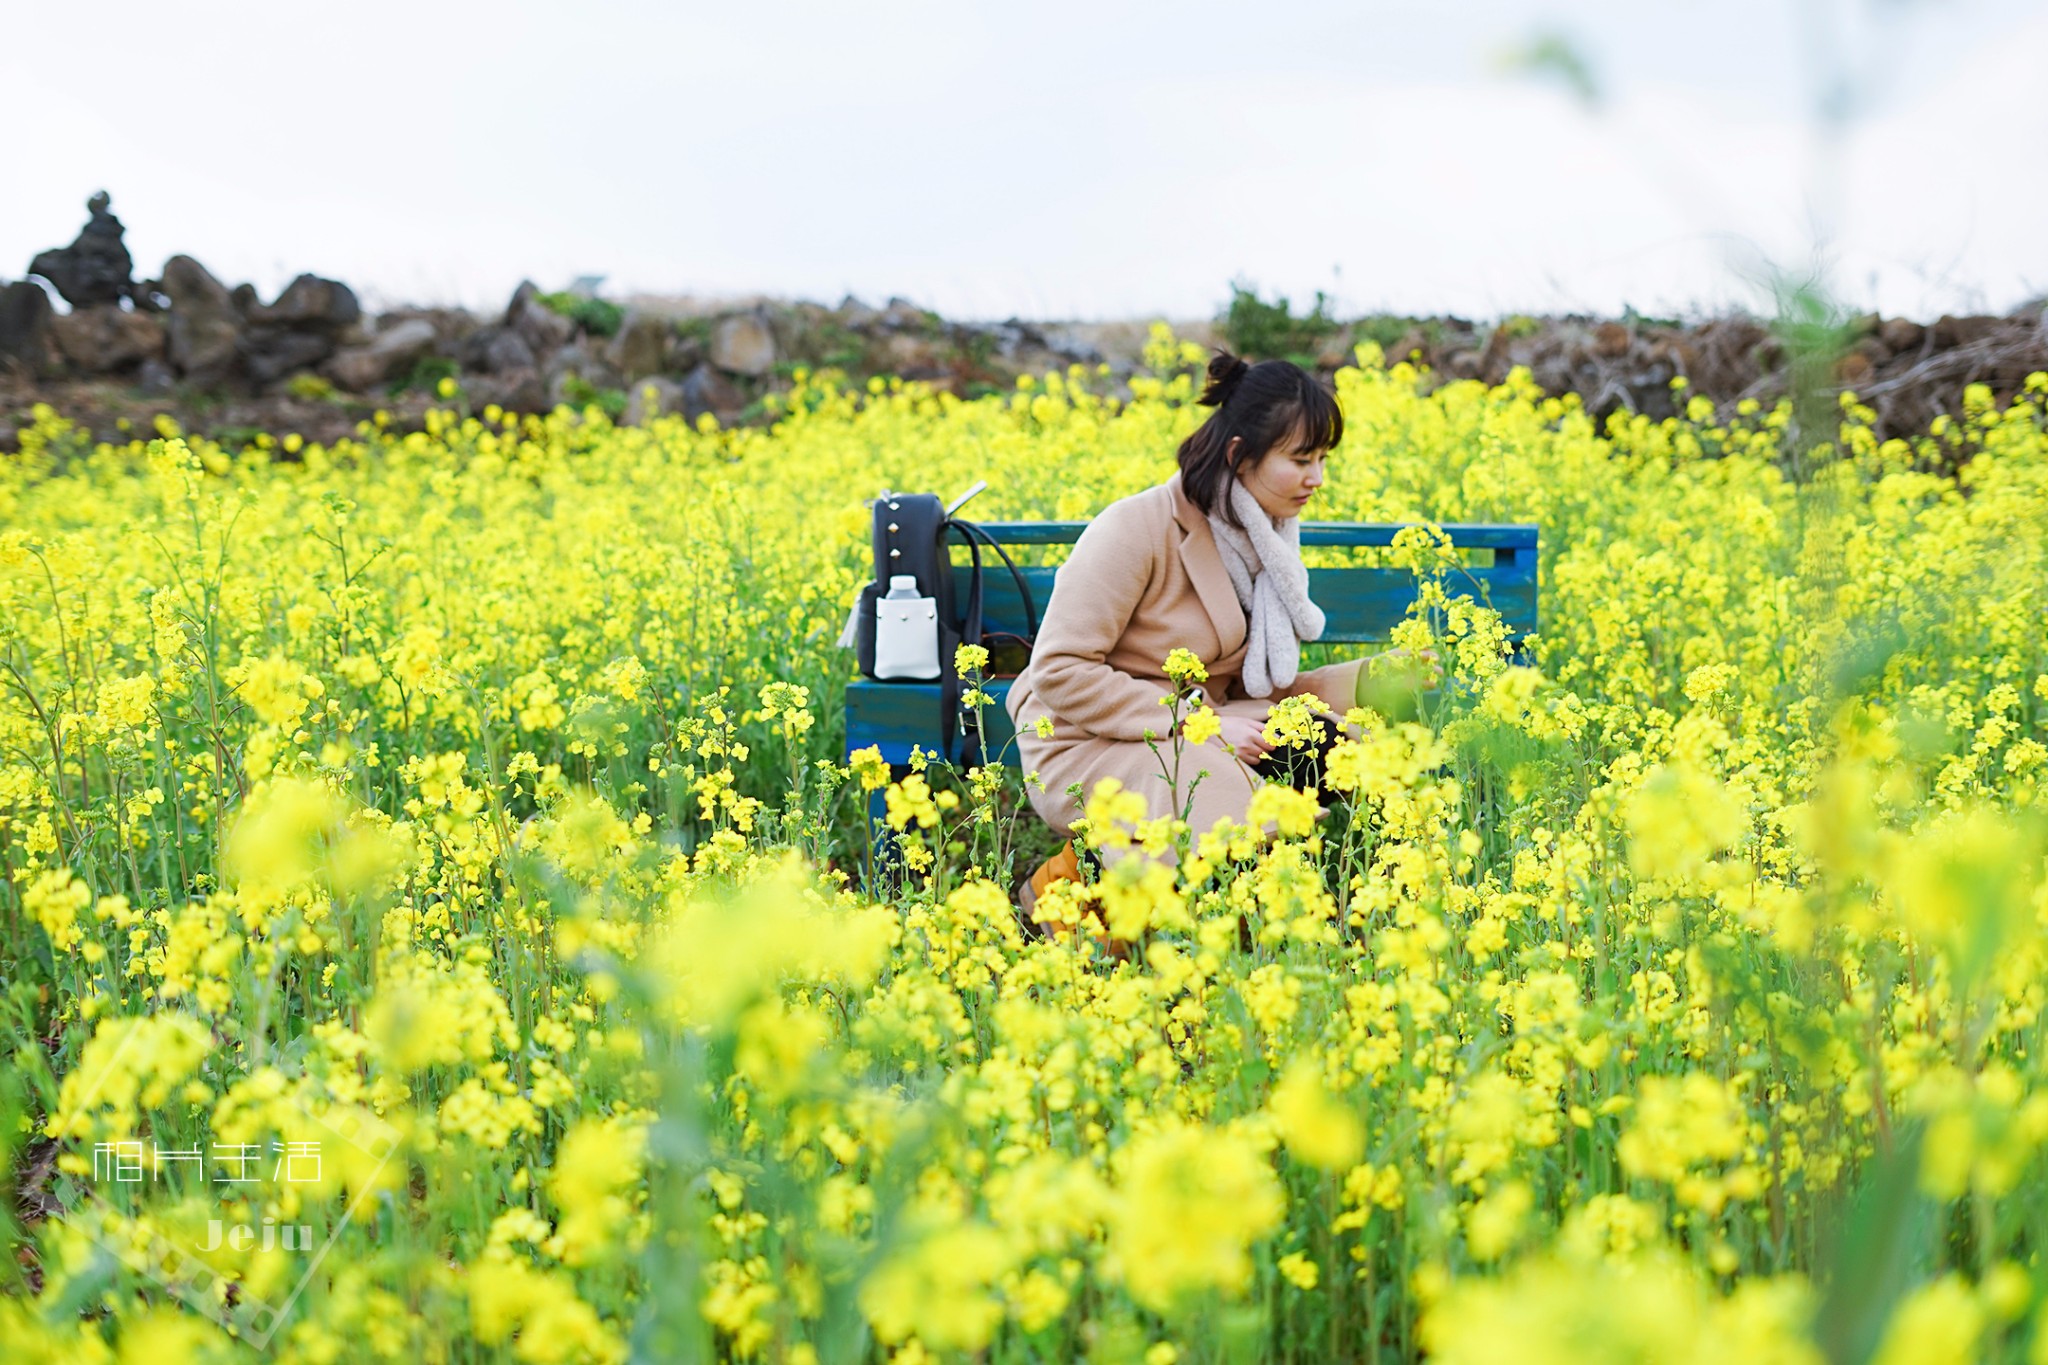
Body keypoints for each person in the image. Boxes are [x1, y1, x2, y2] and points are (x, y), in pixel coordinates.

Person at [1007, 349, 1420, 918]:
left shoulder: (1265, 538)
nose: (1317, 478)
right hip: (1091, 738)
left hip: (1207, 725)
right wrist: (1201, 726)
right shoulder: (1136, 527)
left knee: (1340, 752)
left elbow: (1248, 685)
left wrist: (1371, 679)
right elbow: (1060, 671)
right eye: (1301, 458)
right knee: (1222, 788)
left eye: (1324, 459)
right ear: (1239, 454)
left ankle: (1356, 929)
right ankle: (1069, 905)